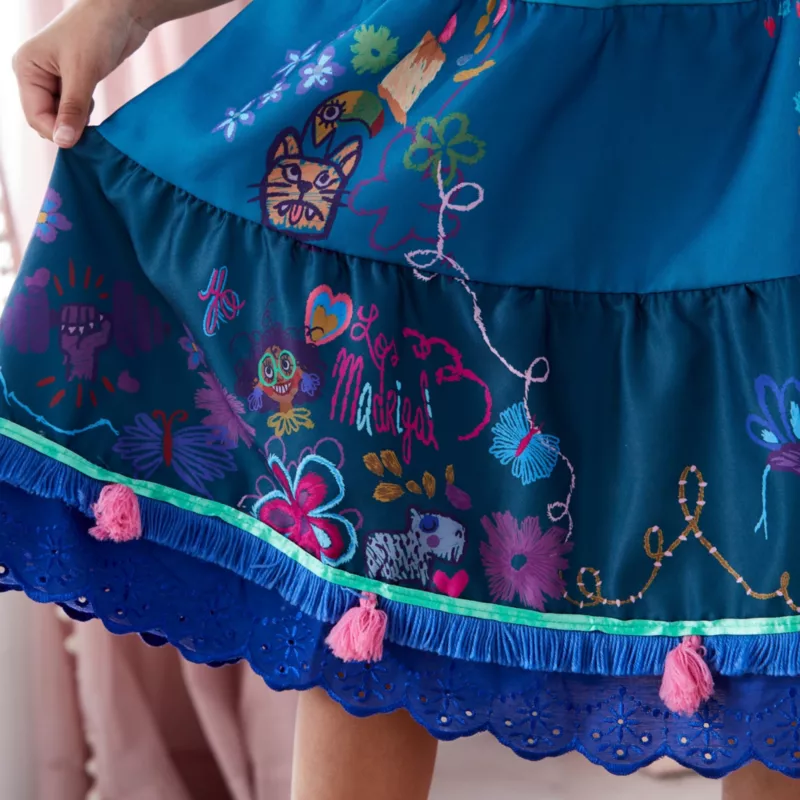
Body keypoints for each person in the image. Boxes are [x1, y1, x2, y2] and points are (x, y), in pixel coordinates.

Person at [7, 0, 800, 798]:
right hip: (467, 109)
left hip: (758, 122)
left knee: (777, 624)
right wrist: (122, 12)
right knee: (375, 589)